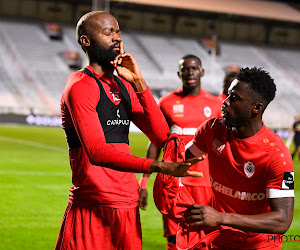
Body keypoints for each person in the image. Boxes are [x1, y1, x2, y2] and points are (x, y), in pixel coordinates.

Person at [55, 11, 201, 250]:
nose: (116, 38)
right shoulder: (80, 86)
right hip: (93, 205)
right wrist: (158, 166)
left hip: (127, 205)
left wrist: (139, 83)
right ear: (85, 41)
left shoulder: (123, 85)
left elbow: (161, 136)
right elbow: (97, 152)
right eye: (108, 32)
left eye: (118, 32)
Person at [185, 67, 294, 249]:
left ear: (256, 108)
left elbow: (282, 220)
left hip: (258, 246)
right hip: (217, 241)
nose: (225, 102)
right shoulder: (212, 130)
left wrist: (221, 218)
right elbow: (181, 159)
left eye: (234, 98)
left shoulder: (276, 155)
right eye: (228, 95)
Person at [139, 54, 223, 249]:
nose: (190, 72)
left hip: (207, 184)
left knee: (206, 240)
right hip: (175, 184)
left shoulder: (216, 105)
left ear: (202, 71)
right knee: (175, 240)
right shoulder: (166, 103)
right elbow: (155, 144)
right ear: (179, 73)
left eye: (194, 68)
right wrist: (143, 183)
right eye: (185, 69)